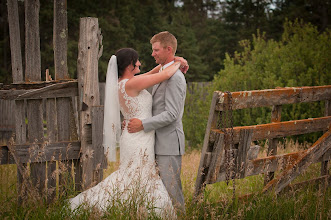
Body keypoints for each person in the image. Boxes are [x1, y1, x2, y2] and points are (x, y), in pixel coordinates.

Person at [69, 48, 188, 217]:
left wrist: (174, 60)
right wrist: (178, 63)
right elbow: (163, 75)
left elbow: (153, 72)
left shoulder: (124, 82)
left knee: (136, 176)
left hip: (135, 135)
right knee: (136, 176)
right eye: (137, 61)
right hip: (138, 137)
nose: (139, 63)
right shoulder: (131, 84)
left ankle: (136, 210)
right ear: (129, 65)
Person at [127, 31, 187, 214]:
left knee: (172, 192)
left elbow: (172, 115)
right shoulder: (164, 72)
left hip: (169, 144)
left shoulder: (175, 78)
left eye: (156, 50)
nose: (152, 54)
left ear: (168, 49)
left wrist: (142, 124)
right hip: (158, 142)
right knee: (161, 194)